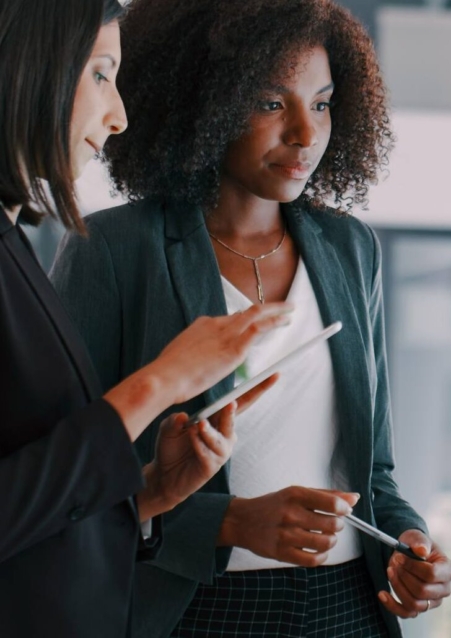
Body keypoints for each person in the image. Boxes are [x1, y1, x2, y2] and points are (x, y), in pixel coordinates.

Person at [51, 0, 451, 635]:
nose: (305, 133)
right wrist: (231, 521)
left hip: (348, 608)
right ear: (205, 103)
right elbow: (68, 482)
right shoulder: (112, 249)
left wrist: (411, 543)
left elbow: (374, 471)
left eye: (320, 103)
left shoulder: (351, 248)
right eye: (272, 103)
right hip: (194, 609)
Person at [0, 1, 293, 635]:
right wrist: (159, 383)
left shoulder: (14, 243)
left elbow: (33, 504)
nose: (119, 114)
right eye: (101, 74)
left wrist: (148, 492)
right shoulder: (94, 247)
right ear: (30, 67)